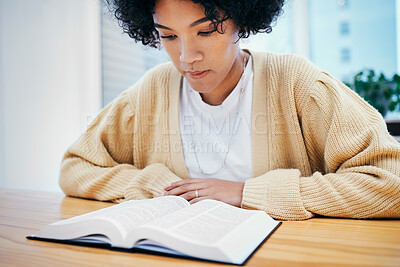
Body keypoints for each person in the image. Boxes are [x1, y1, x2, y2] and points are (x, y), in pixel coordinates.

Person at [59, 0, 400, 220]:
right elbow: (76, 166)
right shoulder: (152, 90)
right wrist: (156, 184)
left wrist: (246, 193)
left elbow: (390, 183)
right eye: (169, 36)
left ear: (243, 21)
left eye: (205, 31)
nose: (186, 56)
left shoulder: (297, 84)